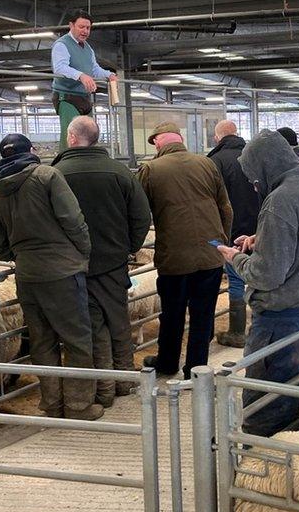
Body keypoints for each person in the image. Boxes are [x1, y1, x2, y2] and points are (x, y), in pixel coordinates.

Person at [215, 129, 299, 437]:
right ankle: (294, 462)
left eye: (254, 177)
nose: (255, 184)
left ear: (265, 166)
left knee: (265, 403)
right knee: (298, 395)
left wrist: (235, 258)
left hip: (281, 320)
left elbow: (267, 275)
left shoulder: (280, 201)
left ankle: (259, 471)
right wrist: (263, 240)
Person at [0, 133, 102, 420]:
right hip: (63, 273)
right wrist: (81, 253)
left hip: (27, 277)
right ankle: (79, 406)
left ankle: (52, 404)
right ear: (32, 151)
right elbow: (73, 219)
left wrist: (24, 255)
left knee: (42, 341)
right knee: (77, 339)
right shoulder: (47, 176)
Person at [51, 116, 151, 406]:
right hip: (114, 262)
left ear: (71, 138)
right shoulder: (120, 172)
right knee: (119, 321)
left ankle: (104, 390)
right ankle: (125, 383)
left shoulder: (56, 173)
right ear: (96, 139)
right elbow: (142, 215)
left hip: (75, 265)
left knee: (92, 325)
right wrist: (129, 247)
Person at [138, 122, 232, 379]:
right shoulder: (206, 163)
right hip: (211, 256)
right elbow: (225, 207)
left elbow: (138, 213)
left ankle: (167, 363)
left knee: (172, 313)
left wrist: (133, 246)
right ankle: (196, 369)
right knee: (203, 315)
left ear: (159, 141)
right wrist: (221, 244)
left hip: (174, 257)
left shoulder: (150, 169)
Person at [207, 120, 260, 349]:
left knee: (236, 276)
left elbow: (211, 198)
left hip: (230, 227)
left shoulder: (215, 161)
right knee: (259, 275)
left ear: (218, 138)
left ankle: (237, 332)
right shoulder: (253, 156)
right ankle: (256, 325)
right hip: (259, 226)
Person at [51, 10, 118, 151]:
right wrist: (81, 75)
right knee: (72, 136)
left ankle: (86, 164)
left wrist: (109, 74)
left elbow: (94, 69)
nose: (85, 31)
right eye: (81, 27)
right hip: (67, 96)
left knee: (88, 134)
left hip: (84, 97)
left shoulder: (88, 48)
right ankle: (66, 167)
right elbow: (60, 67)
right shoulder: (62, 44)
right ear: (71, 25)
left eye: (88, 28)